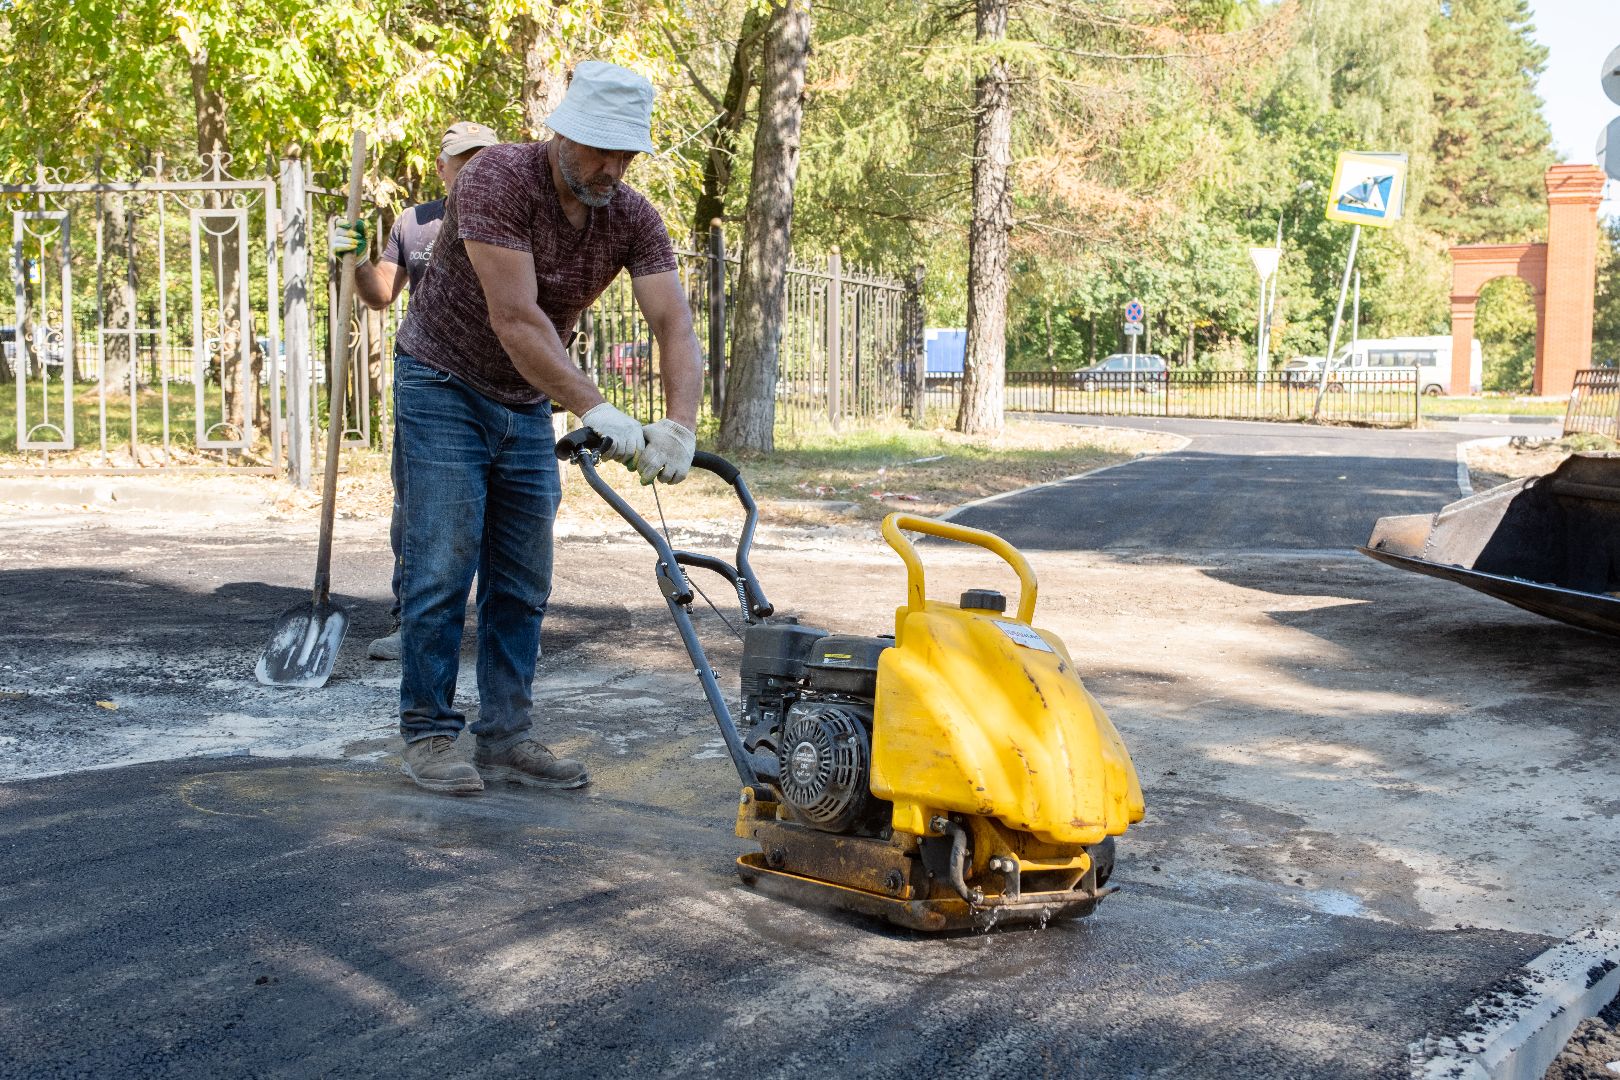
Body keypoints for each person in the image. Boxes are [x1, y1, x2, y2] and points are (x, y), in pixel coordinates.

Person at [390, 60, 702, 795]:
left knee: (524, 578)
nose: (611, 167)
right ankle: (431, 734)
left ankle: (505, 739)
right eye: (598, 149)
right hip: (442, 381)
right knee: (442, 564)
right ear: (561, 132)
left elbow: (673, 323)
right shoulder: (496, 178)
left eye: (626, 154)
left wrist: (679, 426)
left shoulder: (630, 214)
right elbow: (516, 318)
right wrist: (595, 406)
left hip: (524, 400)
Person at [330, 121, 501, 662]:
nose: (473, 170)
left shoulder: (513, 216)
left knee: (508, 511)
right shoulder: (416, 224)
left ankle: (501, 632)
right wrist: (358, 259)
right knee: (419, 506)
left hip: (504, 381)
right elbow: (380, 294)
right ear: (442, 168)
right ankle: (412, 622)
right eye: (462, 161)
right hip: (433, 385)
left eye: (483, 159)